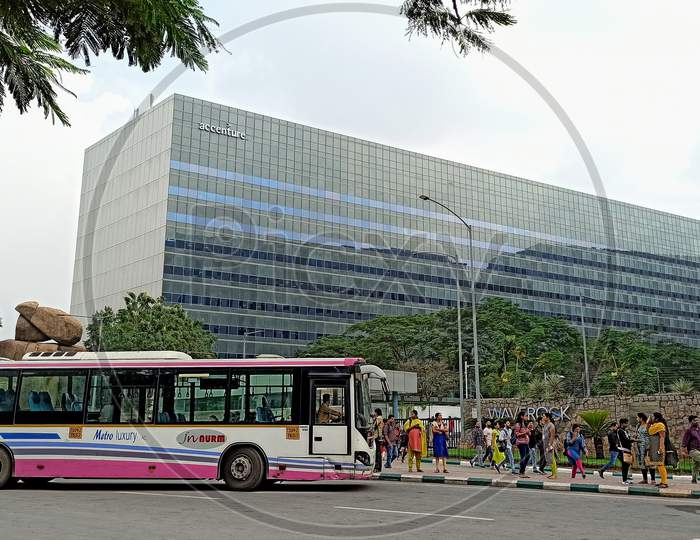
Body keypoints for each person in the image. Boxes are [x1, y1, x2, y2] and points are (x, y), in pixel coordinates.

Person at [647, 412, 669, 489]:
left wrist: (661, 448)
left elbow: (662, 437)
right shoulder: (654, 425)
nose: (651, 418)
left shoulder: (660, 425)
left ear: (656, 417)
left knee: (660, 464)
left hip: (659, 447)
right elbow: (648, 431)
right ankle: (663, 481)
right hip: (655, 447)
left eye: (652, 416)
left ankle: (665, 482)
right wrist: (648, 422)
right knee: (659, 464)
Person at [634, 412, 655, 485]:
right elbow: (637, 434)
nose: (636, 419)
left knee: (650, 462)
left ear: (641, 418)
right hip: (640, 447)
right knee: (642, 463)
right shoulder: (638, 426)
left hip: (647, 446)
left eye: (637, 417)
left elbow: (651, 436)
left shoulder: (648, 425)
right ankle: (644, 479)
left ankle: (653, 480)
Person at [681, 415, 700, 484]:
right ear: (691, 422)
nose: (697, 421)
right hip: (693, 450)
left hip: (698, 449)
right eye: (694, 420)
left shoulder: (699, 430)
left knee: (696, 465)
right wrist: (683, 451)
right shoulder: (689, 430)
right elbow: (684, 441)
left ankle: (694, 479)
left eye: (697, 420)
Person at [514, 411, 531, 477]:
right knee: (523, 457)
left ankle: (522, 470)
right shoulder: (518, 424)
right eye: (525, 415)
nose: (527, 417)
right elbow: (517, 434)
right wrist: (525, 432)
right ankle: (521, 472)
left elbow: (528, 433)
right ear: (521, 416)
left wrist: (529, 430)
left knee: (528, 456)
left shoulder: (525, 424)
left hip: (526, 443)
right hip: (521, 443)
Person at [617, 418, 633, 485]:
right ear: (622, 423)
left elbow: (627, 438)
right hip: (623, 450)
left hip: (626, 450)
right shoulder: (620, 431)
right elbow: (625, 440)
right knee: (625, 465)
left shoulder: (624, 431)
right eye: (625, 423)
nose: (627, 424)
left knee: (626, 465)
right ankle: (624, 480)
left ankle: (625, 479)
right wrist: (633, 440)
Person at [542, 412, 558, 479]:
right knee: (550, 458)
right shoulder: (546, 424)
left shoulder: (551, 425)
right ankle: (553, 473)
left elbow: (552, 436)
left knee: (552, 458)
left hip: (549, 444)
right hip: (546, 444)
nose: (543, 417)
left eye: (544, 416)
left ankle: (554, 474)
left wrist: (549, 444)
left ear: (548, 417)